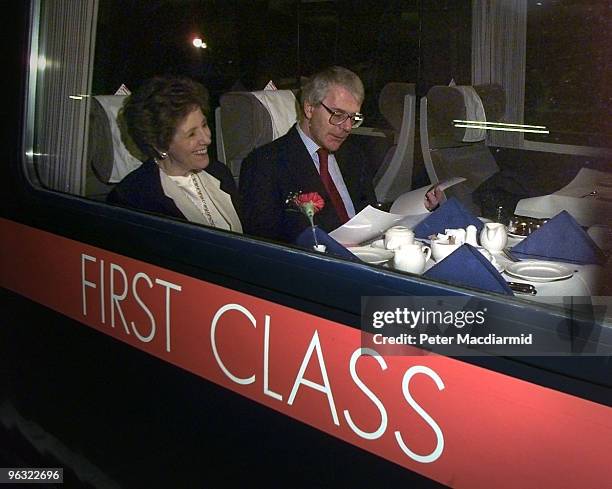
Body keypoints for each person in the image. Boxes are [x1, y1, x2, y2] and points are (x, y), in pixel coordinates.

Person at [239, 66, 440, 243]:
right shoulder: (265, 164)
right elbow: (264, 244)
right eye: (338, 114)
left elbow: (367, 215)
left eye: (353, 118)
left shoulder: (353, 155)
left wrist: (414, 208)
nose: (347, 127)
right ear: (309, 108)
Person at [107, 76, 242, 233]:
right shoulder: (132, 198)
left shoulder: (219, 173)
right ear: (159, 144)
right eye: (191, 134)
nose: (206, 139)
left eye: (204, 125)